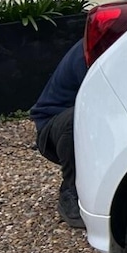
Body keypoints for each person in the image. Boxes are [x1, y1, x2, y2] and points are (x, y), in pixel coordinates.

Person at [31, 42, 87, 229]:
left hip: (77, 122)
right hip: (52, 129)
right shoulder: (87, 53)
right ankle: (70, 190)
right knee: (78, 118)